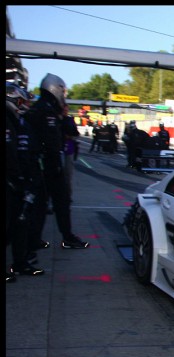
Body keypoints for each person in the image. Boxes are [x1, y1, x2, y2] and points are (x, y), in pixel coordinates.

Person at [24, 73, 89, 250]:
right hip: (47, 165)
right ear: (54, 88)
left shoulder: (43, 109)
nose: (63, 94)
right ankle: (65, 237)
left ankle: (35, 238)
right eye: (62, 90)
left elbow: (66, 133)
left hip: (43, 165)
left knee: (42, 204)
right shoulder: (46, 111)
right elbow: (51, 142)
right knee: (56, 203)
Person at [6, 82, 45, 279]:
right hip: (10, 181)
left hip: (21, 181)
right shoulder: (8, 121)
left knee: (21, 224)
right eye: (20, 100)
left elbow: (28, 152)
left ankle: (20, 263)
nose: (24, 105)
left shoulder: (20, 122)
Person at [62, 105, 80, 198]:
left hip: (69, 149)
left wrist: (70, 137)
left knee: (68, 175)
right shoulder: (57, 119)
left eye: (66, 109)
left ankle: (67, 196)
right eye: (63, 109)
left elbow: (76, 134)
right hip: (58, 149)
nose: (65, 111)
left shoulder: (70, 120)